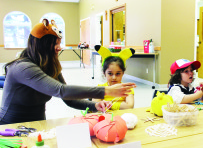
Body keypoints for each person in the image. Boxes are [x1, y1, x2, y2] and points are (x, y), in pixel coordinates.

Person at [0, 19, 136, 125]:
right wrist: (105, 91)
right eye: (55, 44)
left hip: (39, 123)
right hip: (11, 126)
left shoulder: (50, 65)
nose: (59, 48)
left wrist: (95, 105)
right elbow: (62, 91)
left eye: (59, 43)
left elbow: (68, 100)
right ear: (42, 45)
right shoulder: (23, 67)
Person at [93, 45, 135, 110]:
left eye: (118, 73)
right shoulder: (99, 89)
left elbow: (129, 106)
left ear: (123, 73)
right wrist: (121, 105)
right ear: (104, 73)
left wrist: (107, 104)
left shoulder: (127, 89)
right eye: (110, 73)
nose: (114, 77)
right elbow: (95, 106)